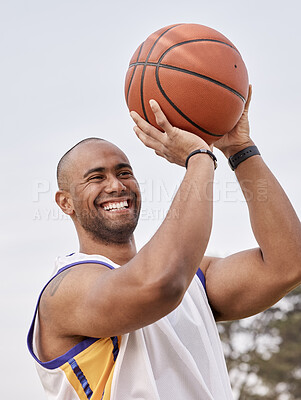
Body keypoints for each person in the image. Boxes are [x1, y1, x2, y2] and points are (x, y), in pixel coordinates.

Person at [27, 86, 301, 400]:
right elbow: (161, 283)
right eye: (96, 177)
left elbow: (288, 263)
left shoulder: (194, 278)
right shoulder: (64, 291)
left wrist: (239, 148)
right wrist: (199, 160)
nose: (116, 185)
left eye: (124, 172)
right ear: (65, 202)